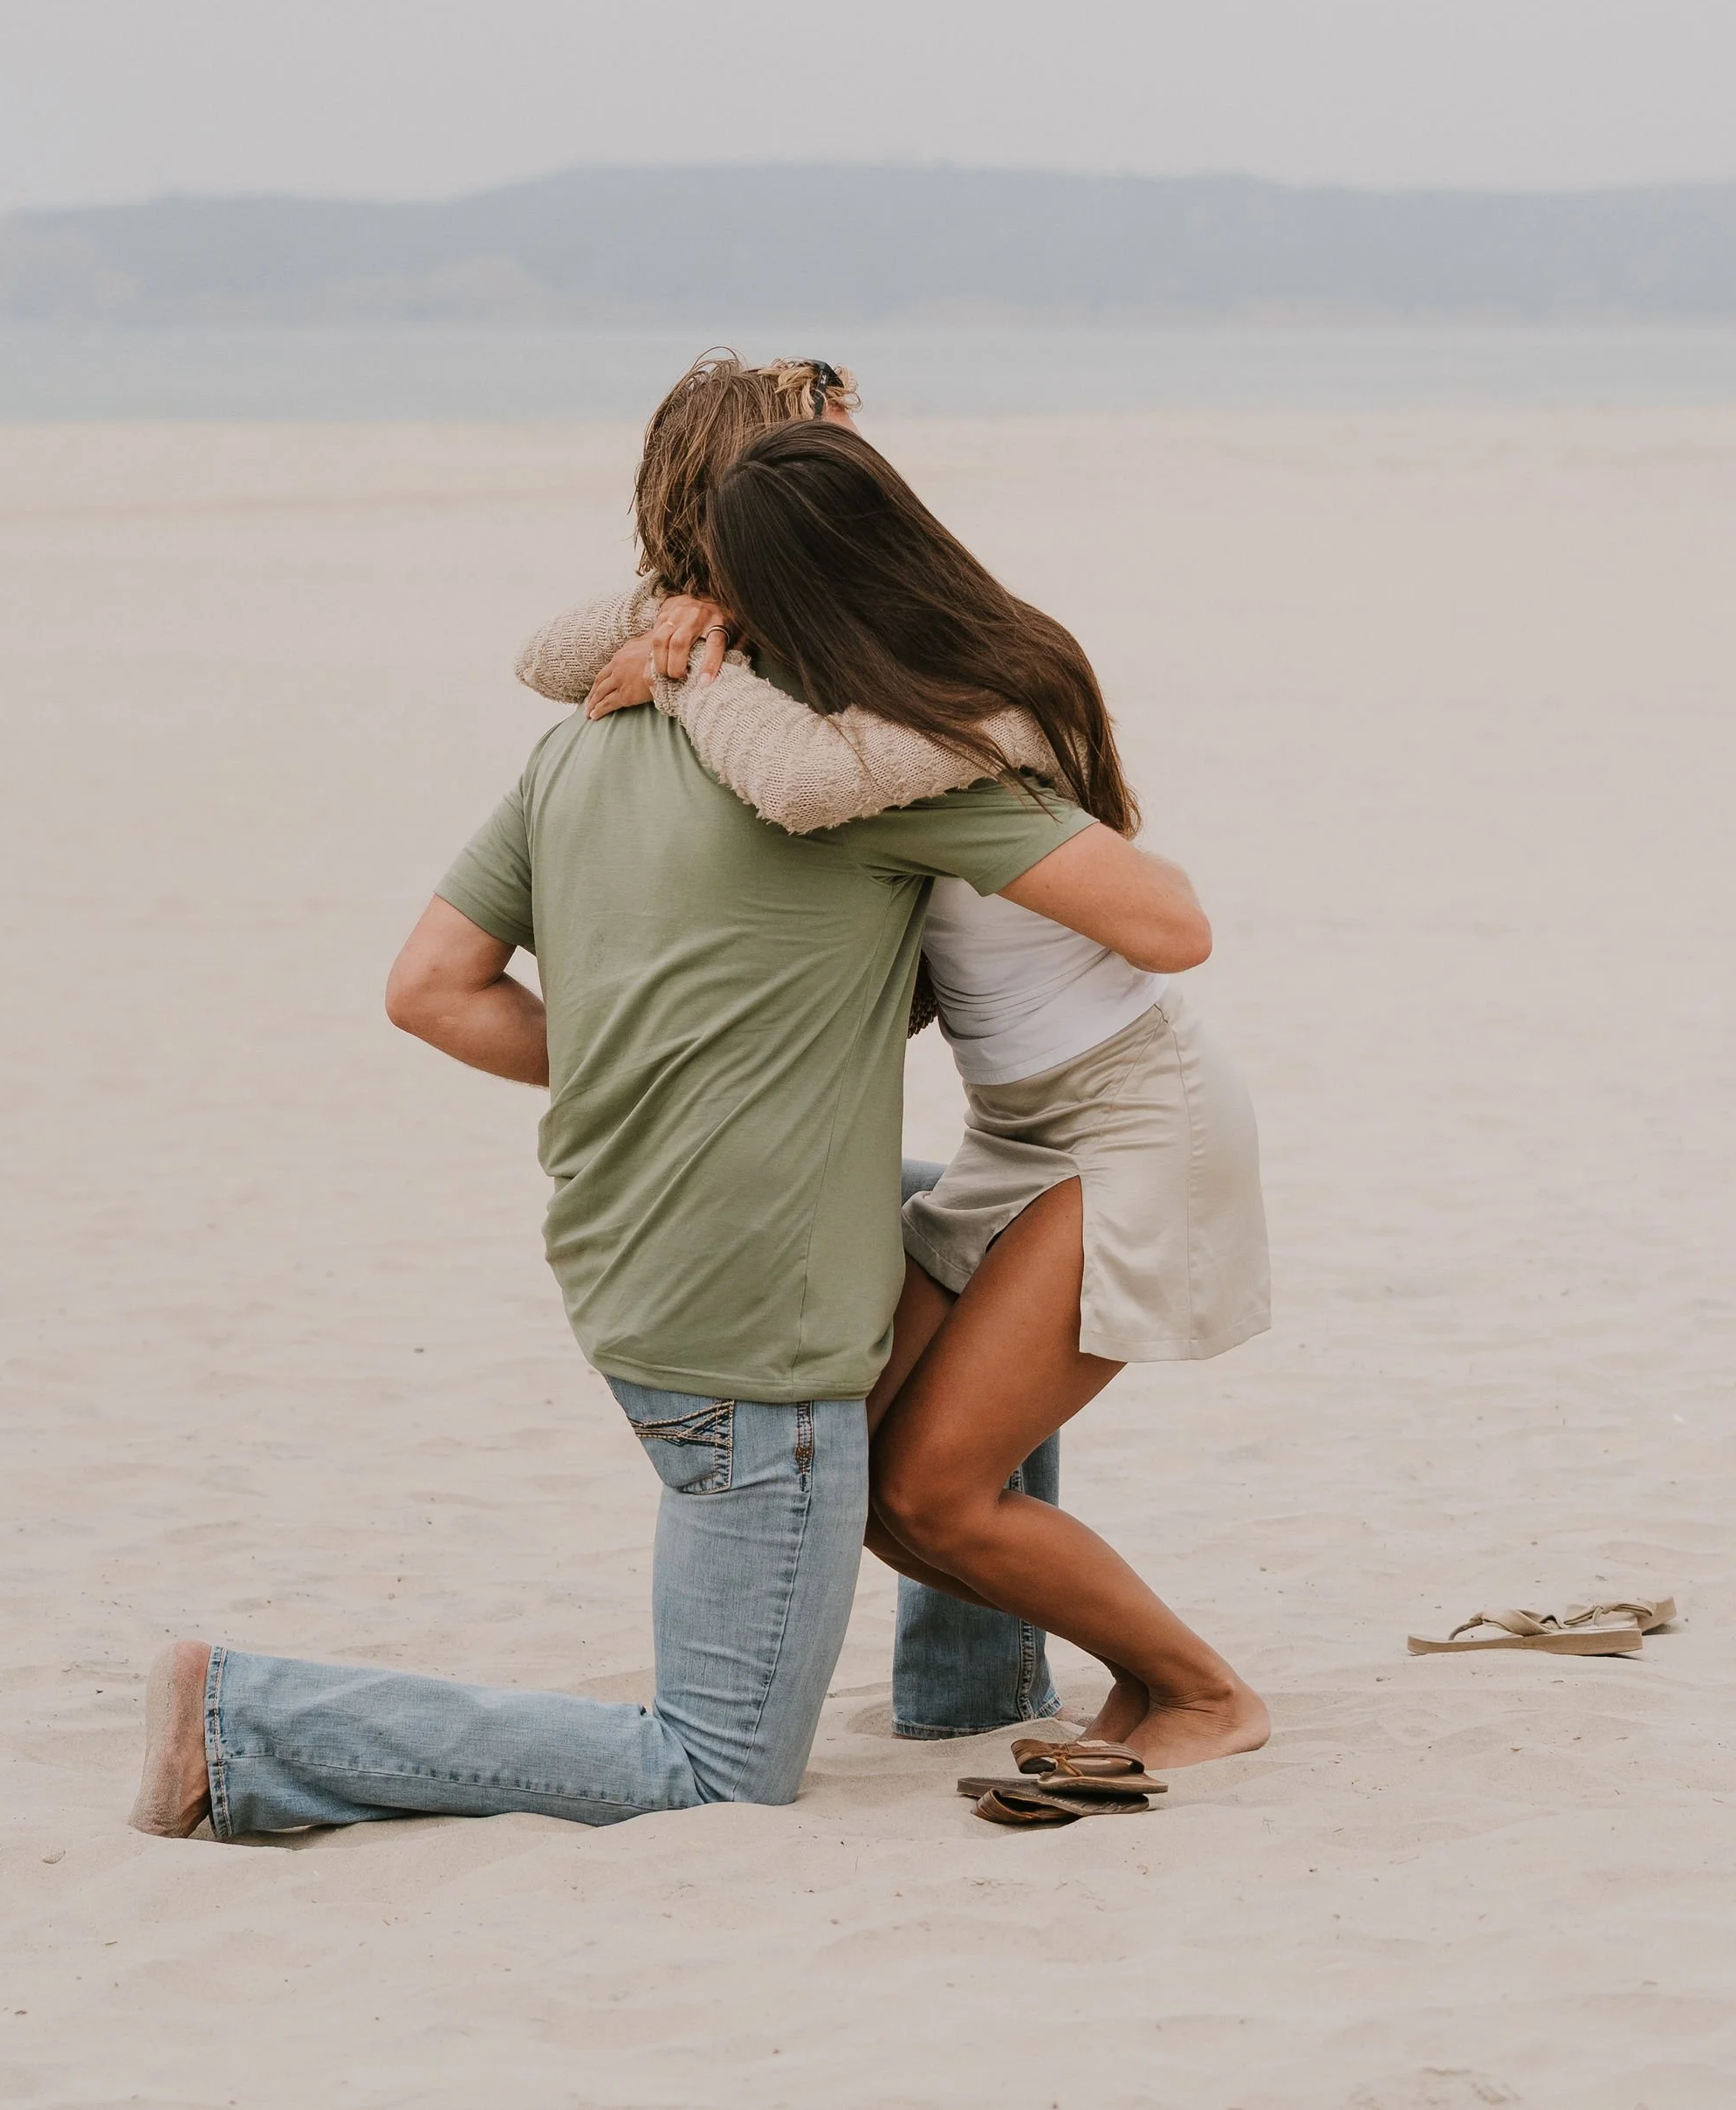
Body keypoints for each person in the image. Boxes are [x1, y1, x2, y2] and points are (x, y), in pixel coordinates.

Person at [127, 376, 1212, 1839]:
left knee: (929, 1200)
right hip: (751, 1326)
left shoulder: (577, 742)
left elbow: (431, 989)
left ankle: (972, 1680)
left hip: (628, 1254)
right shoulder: (854, 779)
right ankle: (244, 1716)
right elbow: (1157, 915)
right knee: (715, 1769)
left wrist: (655, 1064)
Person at [526, 418, 1273, 1770]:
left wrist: (691, 676)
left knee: (938, 1486)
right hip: (1014, 1130)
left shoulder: (978, 706)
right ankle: (1126, 1676)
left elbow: (813, 787)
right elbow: (540, 656)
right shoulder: (860, 687)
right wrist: (677, 611)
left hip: (1131, 1118)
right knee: (857, 1474)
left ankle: (1205, 1690)